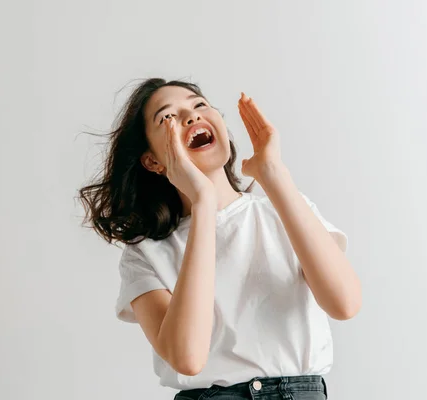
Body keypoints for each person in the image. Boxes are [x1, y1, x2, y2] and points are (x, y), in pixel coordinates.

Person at [78, 78, 362, 399]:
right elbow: (187, 358)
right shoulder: (145, 254)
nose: (191, 116)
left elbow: (344, 304)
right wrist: (202, 202)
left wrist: (273, 173)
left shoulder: (283, 208)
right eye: (167, 117)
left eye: (199, 105)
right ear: (153, 161)